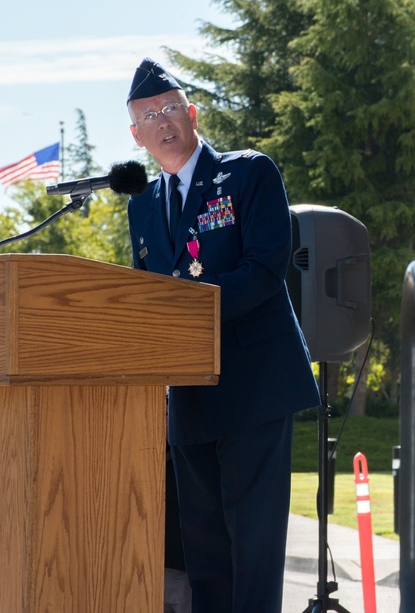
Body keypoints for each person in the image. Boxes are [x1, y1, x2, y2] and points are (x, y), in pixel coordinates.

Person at [125, 57, 321, 613]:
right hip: (189, 398)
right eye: (148, 116)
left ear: (191, 114)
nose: (162, 122)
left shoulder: (248, 173)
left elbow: (263, 270)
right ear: (135, 134)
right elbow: (145, 293)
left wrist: (182, 312)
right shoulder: (142, 205)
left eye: (169, 109)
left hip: (255, 388)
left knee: (253, 551)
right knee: (205, 555)